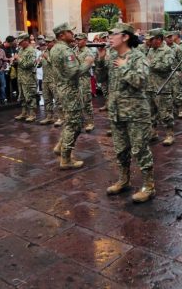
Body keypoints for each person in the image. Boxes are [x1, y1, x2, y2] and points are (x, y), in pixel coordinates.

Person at [95, 23, 155, 203]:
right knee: (121, 150)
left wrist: (124, 67)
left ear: (125, 37)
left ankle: (148, 186)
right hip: (117, 112)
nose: (109, 38)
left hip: (136, 113)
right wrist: (100, 60)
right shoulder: (112, 55)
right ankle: (124, 180)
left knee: (140, 149)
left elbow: (142, 82)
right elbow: (100, 80)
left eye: (113, 34)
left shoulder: (138, 57)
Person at [50, 22, 94, 169]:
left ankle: (60, 146)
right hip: (70, 91)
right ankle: (66, 159)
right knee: (73, 124)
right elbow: (73, 72)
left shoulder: (56, 48)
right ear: (62, 35)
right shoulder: (65, 50)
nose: (73, 34)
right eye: (70, 32)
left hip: (64, 90)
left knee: (74, 121)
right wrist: (88, 62)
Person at [143, 29, 176, 146]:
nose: (149, 42)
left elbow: (167, 66)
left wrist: (150, 64)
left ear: (158, 39)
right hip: (149, 86)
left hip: (162, 87)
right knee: (151, 113)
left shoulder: (168, 51)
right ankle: (153, 132)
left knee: (165, 113)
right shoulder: (151, 50)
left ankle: (170, 134)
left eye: (151, 39)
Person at [11, 33, 38, 122]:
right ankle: (24, 112)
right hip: (21, 77)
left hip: (29, 77)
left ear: (26, 41)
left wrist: (18, 59)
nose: (19, 44)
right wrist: (14, 61)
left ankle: (32, 114)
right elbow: (20, 63)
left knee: (30, 96)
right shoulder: (21, 50)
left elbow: (28, 64)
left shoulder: (31, 51)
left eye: (21, 42)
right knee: (22, 95)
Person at [73, 33, 95, 131]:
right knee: (76, 101)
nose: (77, 41)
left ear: (85, 40)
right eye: (76, 39)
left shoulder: (88, 52)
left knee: (86, 102)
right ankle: (80, 121)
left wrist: (71, 70)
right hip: (74, 81)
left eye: (80, 39)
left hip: (84, 80)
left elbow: (84, 68)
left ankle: (90, 122)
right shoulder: (74, 51)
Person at [39, 34, 60, 125]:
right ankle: (49, 117)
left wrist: (46, 57)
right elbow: (41, 65)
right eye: (46, 42)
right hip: (45, 79)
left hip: (54, 79)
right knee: (47, 99)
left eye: (49, 42)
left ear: (54, 42)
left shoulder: (57, 51)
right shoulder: (45, 51)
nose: (47, 43)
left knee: (58, 99)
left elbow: (56, 63)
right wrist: (39, 61)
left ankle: (60, 117)